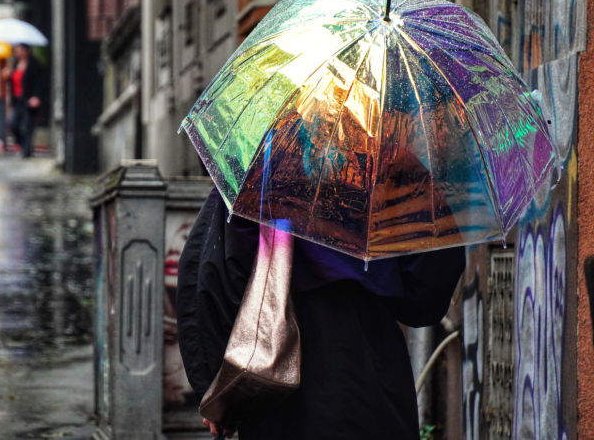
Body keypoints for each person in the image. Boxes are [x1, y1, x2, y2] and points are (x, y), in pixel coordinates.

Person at [177, 188, 466, 440]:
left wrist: (219, 391)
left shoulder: (261, 169)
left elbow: (208, 276)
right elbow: (427, 290)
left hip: (272, 375)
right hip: (370, 367)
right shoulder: (391, 169)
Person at [6, 44, 42, 157]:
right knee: (12, 123)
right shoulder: (15, 63)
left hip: (28, 98)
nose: (18, 52)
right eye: (17, 50)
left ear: (26, 50)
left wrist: (36, 96)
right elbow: (13, 81)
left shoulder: (33, 64)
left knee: (28, 125)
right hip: (17, 99)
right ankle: (23, 145)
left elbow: (39, 81)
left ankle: (26, 150)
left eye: (20, 50)